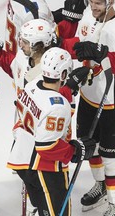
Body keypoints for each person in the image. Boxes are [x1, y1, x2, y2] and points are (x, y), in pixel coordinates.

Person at [13, 47, 96, 216]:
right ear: (63, 74)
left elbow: (46, 104)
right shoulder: (58, 106)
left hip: (22, 159)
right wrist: (75, 151)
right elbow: (47, 147)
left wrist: (69, 87)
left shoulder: (31, 85)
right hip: (45, 169)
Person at [70, 0, 115, 214]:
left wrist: (104, 54)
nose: (93, 6)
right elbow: (78, 45)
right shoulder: (88, 15)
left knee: (111, 156)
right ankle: (101, 186)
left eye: (98, 2)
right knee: (90, 146)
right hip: (88, 95)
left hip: (111, 102)